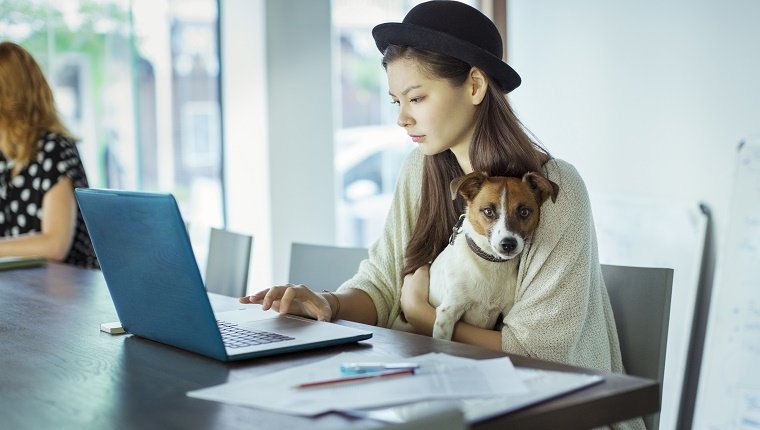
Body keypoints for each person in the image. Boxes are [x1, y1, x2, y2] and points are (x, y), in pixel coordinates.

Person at [242, 0, 631, 404]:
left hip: (552, 408)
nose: (402, 119)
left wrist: (424, 316)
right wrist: (328, 303)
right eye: (397, 102)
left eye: (417, 98)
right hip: (443, 392)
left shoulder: (551, 190)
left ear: (476, 85)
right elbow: (381, 285)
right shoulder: (421, 169)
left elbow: (540, 356)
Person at [0, 41, 98, 269]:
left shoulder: (55, 149)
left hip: (67, 294)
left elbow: (55, 245)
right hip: (21, 290)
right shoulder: (4, 158)